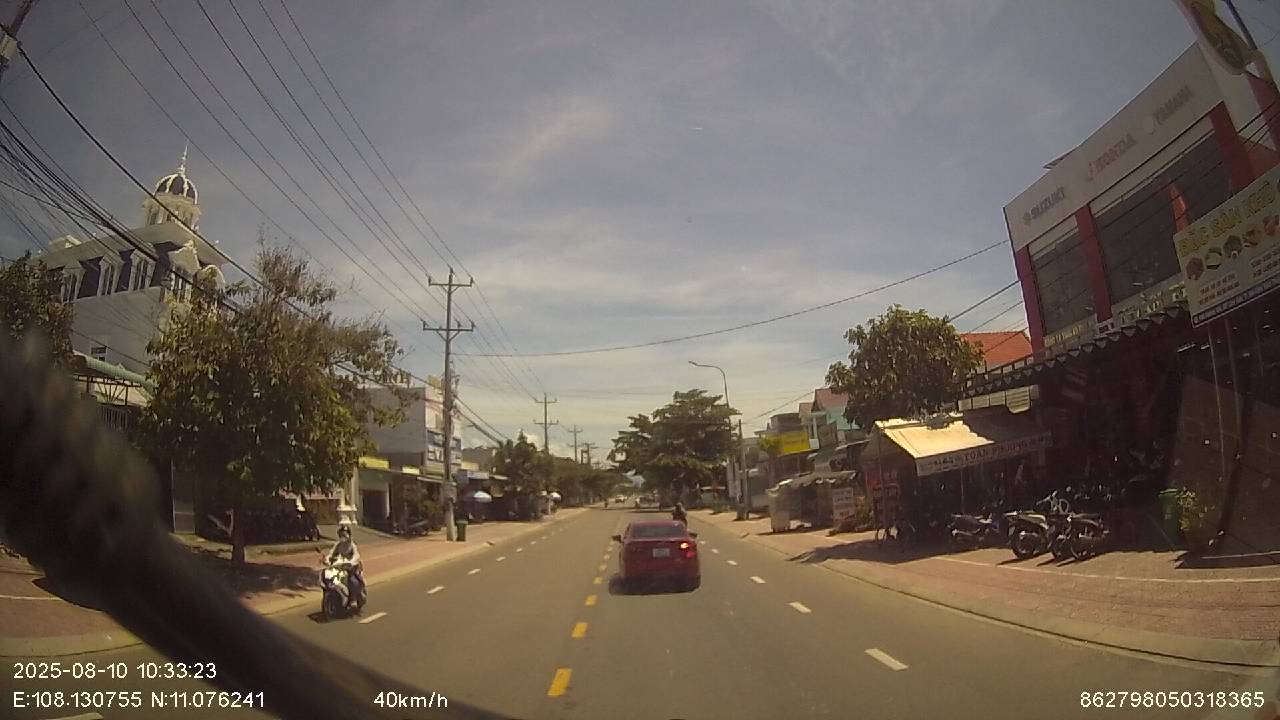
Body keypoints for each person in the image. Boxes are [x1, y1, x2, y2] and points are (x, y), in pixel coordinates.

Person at [326, 523, 364, 605]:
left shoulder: (352, 545)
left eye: (344, 535)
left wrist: (351, 562)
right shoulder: (338, 544)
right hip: (341, 566)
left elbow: (356, 555)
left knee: (352, 580)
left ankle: (353, 598)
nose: (342, 537)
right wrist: (327, 559)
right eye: (340, 535)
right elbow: (331, 553)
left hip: (352, 567)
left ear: (349, 535)